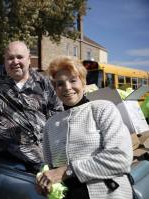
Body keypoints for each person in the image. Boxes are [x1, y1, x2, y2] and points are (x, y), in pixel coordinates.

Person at [36, 56, 133, 198]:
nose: (67, 87)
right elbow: (50, 168)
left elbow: (121, 158)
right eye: (60, 84)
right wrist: (44, 180)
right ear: (55, 89)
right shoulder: (50, 125)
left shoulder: (103, 109)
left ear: (83, 82)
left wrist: (66, 171)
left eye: (73, 80)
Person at [0, 41, 63, 172]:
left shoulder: (43, 82)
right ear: (4, 60)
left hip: (45, 155)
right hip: (8, 160)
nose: (15, 61)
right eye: (10, 58)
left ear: (29, 59)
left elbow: (57, 113)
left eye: (19, 57)